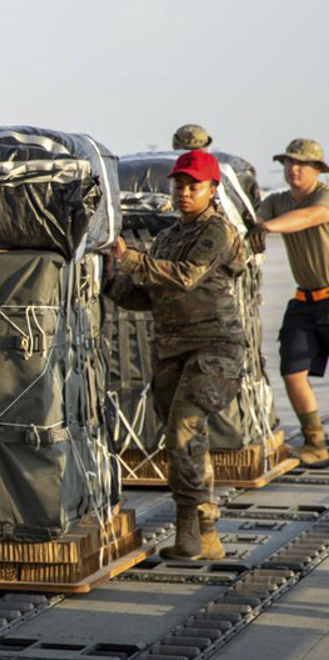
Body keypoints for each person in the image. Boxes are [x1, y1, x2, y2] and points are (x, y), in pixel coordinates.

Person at [106, 150, 246, 560]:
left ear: (212, 190)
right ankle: (206, 529)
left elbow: (185, 277)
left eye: (194, 186)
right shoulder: (167, 237)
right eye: (179, 184)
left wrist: (130, 257)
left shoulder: (217, 232)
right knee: (183, 440)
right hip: (170, 350)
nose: (184, 193)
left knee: (183, 429)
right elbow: (147, 296)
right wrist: (107, 277)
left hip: (215, 348)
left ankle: (190, 528)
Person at [250, 139, 329, 465]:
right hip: (304, 300)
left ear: (316, 170)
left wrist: (265, 228)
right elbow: (250, 220)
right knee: (292, 370)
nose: (292, 169)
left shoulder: (323, 196)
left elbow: (310, 217)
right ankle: (315, 442)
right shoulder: (277, 202)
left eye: (300, 164)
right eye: (287, 163)